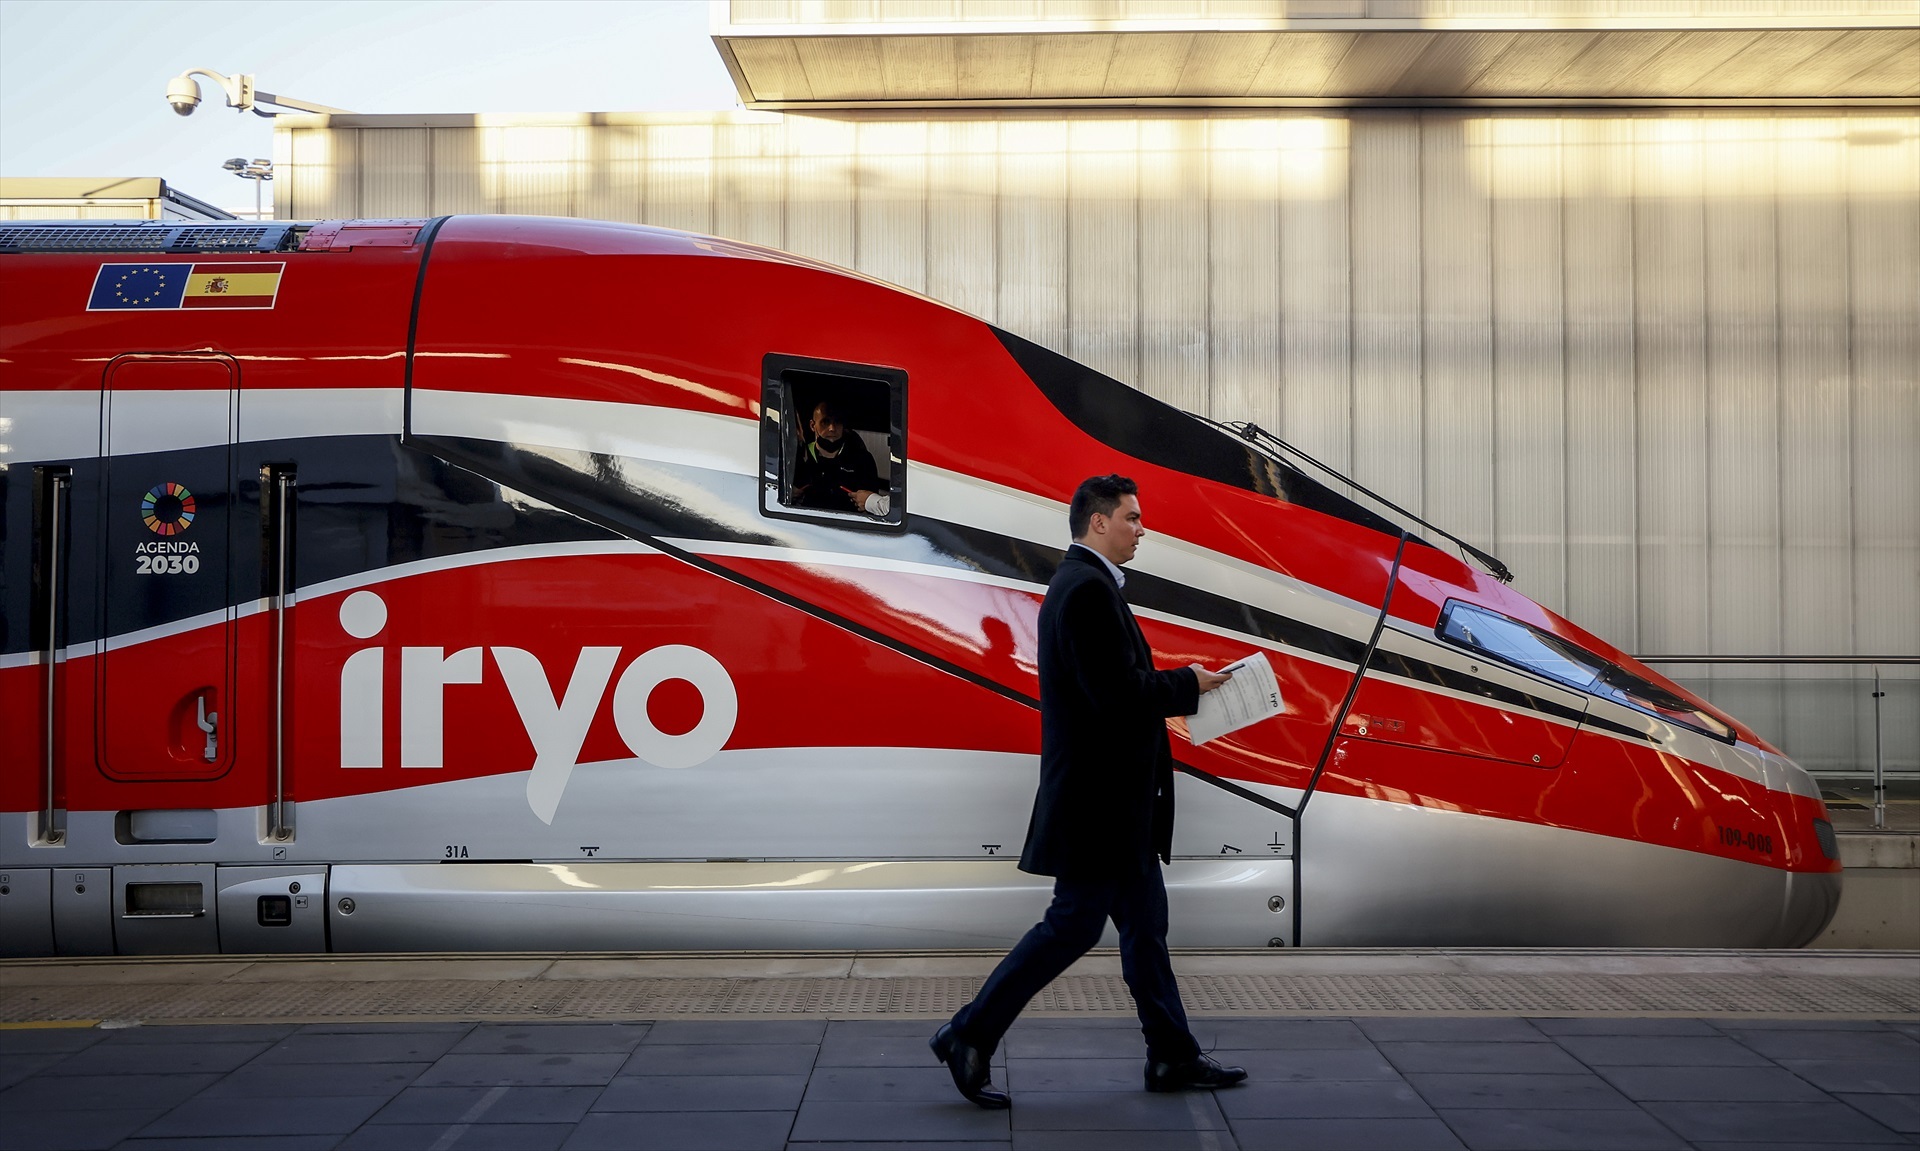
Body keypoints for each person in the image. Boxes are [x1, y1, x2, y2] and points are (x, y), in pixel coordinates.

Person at [930, 474, 1246, 1108]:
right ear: (1097, 522)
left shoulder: (1089, 587)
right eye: (1132, 518)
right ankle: (968, 1034)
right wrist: (1187, 685)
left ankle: (1171, 1055)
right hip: (1100, 807)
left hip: (1114, 808)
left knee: (1145, 928)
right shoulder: (1085, 592)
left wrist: (1183, 684)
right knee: (1071, 927)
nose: (1141, 529)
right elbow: (1119, 697)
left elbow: (1116, 681)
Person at [791, 399, 888, 516]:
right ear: (813, 425)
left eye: (837, 422)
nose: (832, 428)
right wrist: (789, 494)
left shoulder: (862, 460)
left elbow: (871, 506)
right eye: (825, 422)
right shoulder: (798, 458)